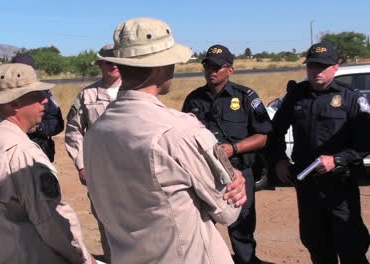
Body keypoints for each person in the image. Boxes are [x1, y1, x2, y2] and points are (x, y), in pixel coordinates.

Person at [83, 17, 247, 264]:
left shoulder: (95, 133)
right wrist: (233, 175)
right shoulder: (178, 130)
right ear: (161, 67)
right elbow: (228, 209)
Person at [0, 63, 95, 264]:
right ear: (13, 102)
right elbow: (52, 223)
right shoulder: (23, 154)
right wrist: (83, 258)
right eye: (36, 95)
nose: (45, 100)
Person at [270, 42, 370, 264]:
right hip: (307, 185)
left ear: (335, 68)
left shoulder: (350, 98)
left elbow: (365, 143)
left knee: (350, 244)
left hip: (340, 184)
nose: (316, 71)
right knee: (316, 243)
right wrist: (279, 160)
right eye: (312, 66)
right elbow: (275, 132)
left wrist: (337, 159)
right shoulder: (296, 96)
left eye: (323, 66)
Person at [182, 45, 272, 264]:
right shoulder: (194, 100)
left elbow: (263, 136)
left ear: (230, 70)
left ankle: (245, 261)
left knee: (242, 226)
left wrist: (235, 148)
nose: (211, 71)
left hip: (239, 172)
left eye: (217, 67)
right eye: (208, 66)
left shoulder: (245, 96)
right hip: (205, 173)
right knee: (202, 225)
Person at [65, 44, 121, 262]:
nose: (114, 65)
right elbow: (73, 131)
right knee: (107, 225)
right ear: (100, 65)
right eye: (108, 61)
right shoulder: (87, 95)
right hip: (100, 173)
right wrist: (81, 164)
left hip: (134, 170)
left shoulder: (136, 92)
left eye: (118, 60)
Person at [0, 53, 64, 162]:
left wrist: (38, 128)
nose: (43, 101)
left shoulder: (43, 95)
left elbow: (57, 124)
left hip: (38, 151)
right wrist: (6, 126)